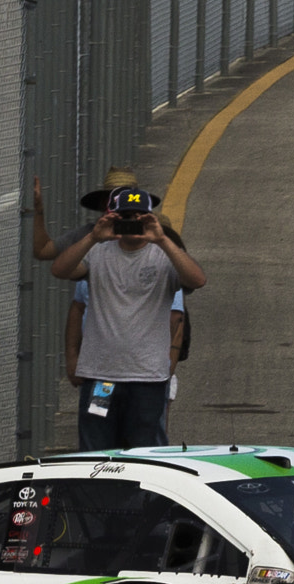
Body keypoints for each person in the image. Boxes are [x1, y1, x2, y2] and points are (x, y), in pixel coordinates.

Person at [52, 186, 205, 451]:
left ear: (149, 217)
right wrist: (93, 238)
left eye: (138, 216)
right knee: (96, 449)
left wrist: (162, 240)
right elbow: (60, 270)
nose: (131, 222)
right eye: (124, 215)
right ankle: (98, 494)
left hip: (147, 380)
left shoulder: (164, 256)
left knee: (145, 452)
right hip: (102, 379)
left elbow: (197, 280)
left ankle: (143, 495)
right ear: (111, 216)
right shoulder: (97, 253)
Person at [68, 278, 185, 438]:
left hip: (140, 379)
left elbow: (175, 318)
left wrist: (165, 368)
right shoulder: (95, 261)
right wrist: (72, 356)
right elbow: (78, 306)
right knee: (101, 433)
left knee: (137, 439)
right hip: (105, 378)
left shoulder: (160, 264)